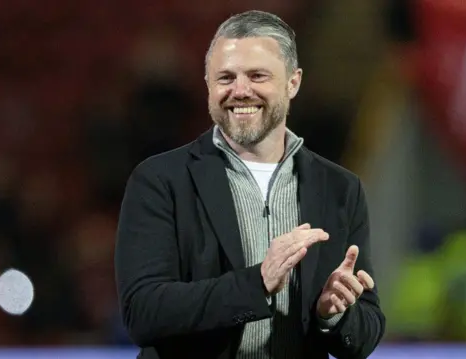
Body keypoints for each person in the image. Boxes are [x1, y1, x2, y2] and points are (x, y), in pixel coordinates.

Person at [115, 10, 386, 359]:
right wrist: (257, 282)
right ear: (208, 86)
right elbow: (143, 313)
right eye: (225, 78)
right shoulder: (159, 181)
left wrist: (334, 316)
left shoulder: (340, 188)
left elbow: (366, 333)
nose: (240, 91)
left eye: (257, 76)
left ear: (293, 82)